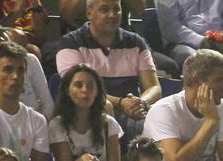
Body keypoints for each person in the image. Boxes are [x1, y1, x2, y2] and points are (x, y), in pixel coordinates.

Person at [54, 0, 162, 139]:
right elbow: (81, 90)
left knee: (166, 123)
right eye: (104, 10)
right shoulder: (70, 43)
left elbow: (154, 87)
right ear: (89, 13)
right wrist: (121, 103)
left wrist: (141, 102)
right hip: (91, 113)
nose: (112, 15)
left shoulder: (136, 42)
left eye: (117, 10)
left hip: (132, 113)